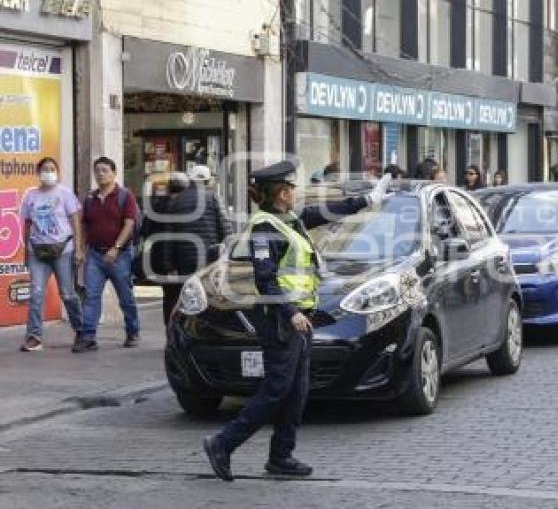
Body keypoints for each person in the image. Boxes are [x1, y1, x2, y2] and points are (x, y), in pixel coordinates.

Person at [203, 161, 393, 482]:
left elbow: (327, 212)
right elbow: (266, 280)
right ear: (280, 194)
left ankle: (281, 456)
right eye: (291, 189)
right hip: (279, 319)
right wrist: (290, 313)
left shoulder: (289, 221)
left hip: (300, 318)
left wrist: (367, 200)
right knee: (277, 389)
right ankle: (222, 443)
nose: (295, 193)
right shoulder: (265, 227)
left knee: (297, 390)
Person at [19, 158, 85, 352]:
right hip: (37, 251)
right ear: (38, 173)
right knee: (36, 293)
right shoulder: (31, 196)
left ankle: (81, 331)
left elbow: (75, 221)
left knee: (67, 293)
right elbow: (27, 224)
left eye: (52, 169)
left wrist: (79, 248)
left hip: (63, 250)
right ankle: (34, 336)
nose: (48, 172)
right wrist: (25, 250)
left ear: (57, 172)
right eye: (45, 169)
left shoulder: (65, 193)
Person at [77, 156, 141, 353]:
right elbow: (84, 225)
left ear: (114, 173)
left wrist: (116, 247)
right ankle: (88, 337)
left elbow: (129, 224)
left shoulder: (125, 196)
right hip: (95, 255)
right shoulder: (90, 198)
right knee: (91, 296)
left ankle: (132, 331)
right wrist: (81, 249)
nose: (100, 174)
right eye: (97, 170)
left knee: (125, 296)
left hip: (119, 255)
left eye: (105, 170)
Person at [161, 166, 231, 325]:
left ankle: (186, 330)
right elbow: (226, 229)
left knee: (188, 297)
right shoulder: (213, 198)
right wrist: (229, 255)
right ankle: (208, 330)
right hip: (210, 259)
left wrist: (169, 265)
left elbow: (168, 237)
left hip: (184, 260)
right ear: (207, 181)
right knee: (211, 297)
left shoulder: (176, 201)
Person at [139, 173, 189, 325]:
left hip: (162, 260)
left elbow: (145, 232)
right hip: (183, 258)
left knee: (169, 296)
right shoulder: (186, 207)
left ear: (168, 187)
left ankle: (170, 329)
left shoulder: (157, 206)